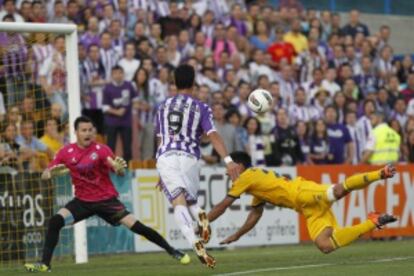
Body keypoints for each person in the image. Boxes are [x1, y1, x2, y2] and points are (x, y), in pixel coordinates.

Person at [24, 116, 189, 273]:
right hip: (82, 202)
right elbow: (45, 173)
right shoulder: (65, 152)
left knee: (138, 227)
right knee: (55, 221)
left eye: (90, 130)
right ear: (76, 132)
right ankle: (45, 264)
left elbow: (119, 171)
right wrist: (50, 173)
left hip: (106, 201)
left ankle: (172, 250)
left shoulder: (101, 150)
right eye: (84, 130)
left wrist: (119, 168)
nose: (88, 133)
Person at [207, 151, 397, 254]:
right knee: (325, 246)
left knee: (337, 190)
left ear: (239, 166)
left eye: (229, 168)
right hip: (306, 209)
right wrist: (238, 235)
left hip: (302, 193)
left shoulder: (247, 176)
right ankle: (374, 221)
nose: (227, 172)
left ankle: (381, 173)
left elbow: (223, 205)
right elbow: (255, 214)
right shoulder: (257, 186)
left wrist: (202, 222)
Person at [155, 64, 239, 268]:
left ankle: (194, 242)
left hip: (166, 155)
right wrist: (228, 161)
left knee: (178, 201)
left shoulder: (163, 106)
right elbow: (213, 136)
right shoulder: (201, 107)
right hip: (190, 158)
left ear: (174, 82)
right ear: (193, 83)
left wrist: (161, 172)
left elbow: (159, 139)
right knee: (189, 201)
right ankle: (201, 214)